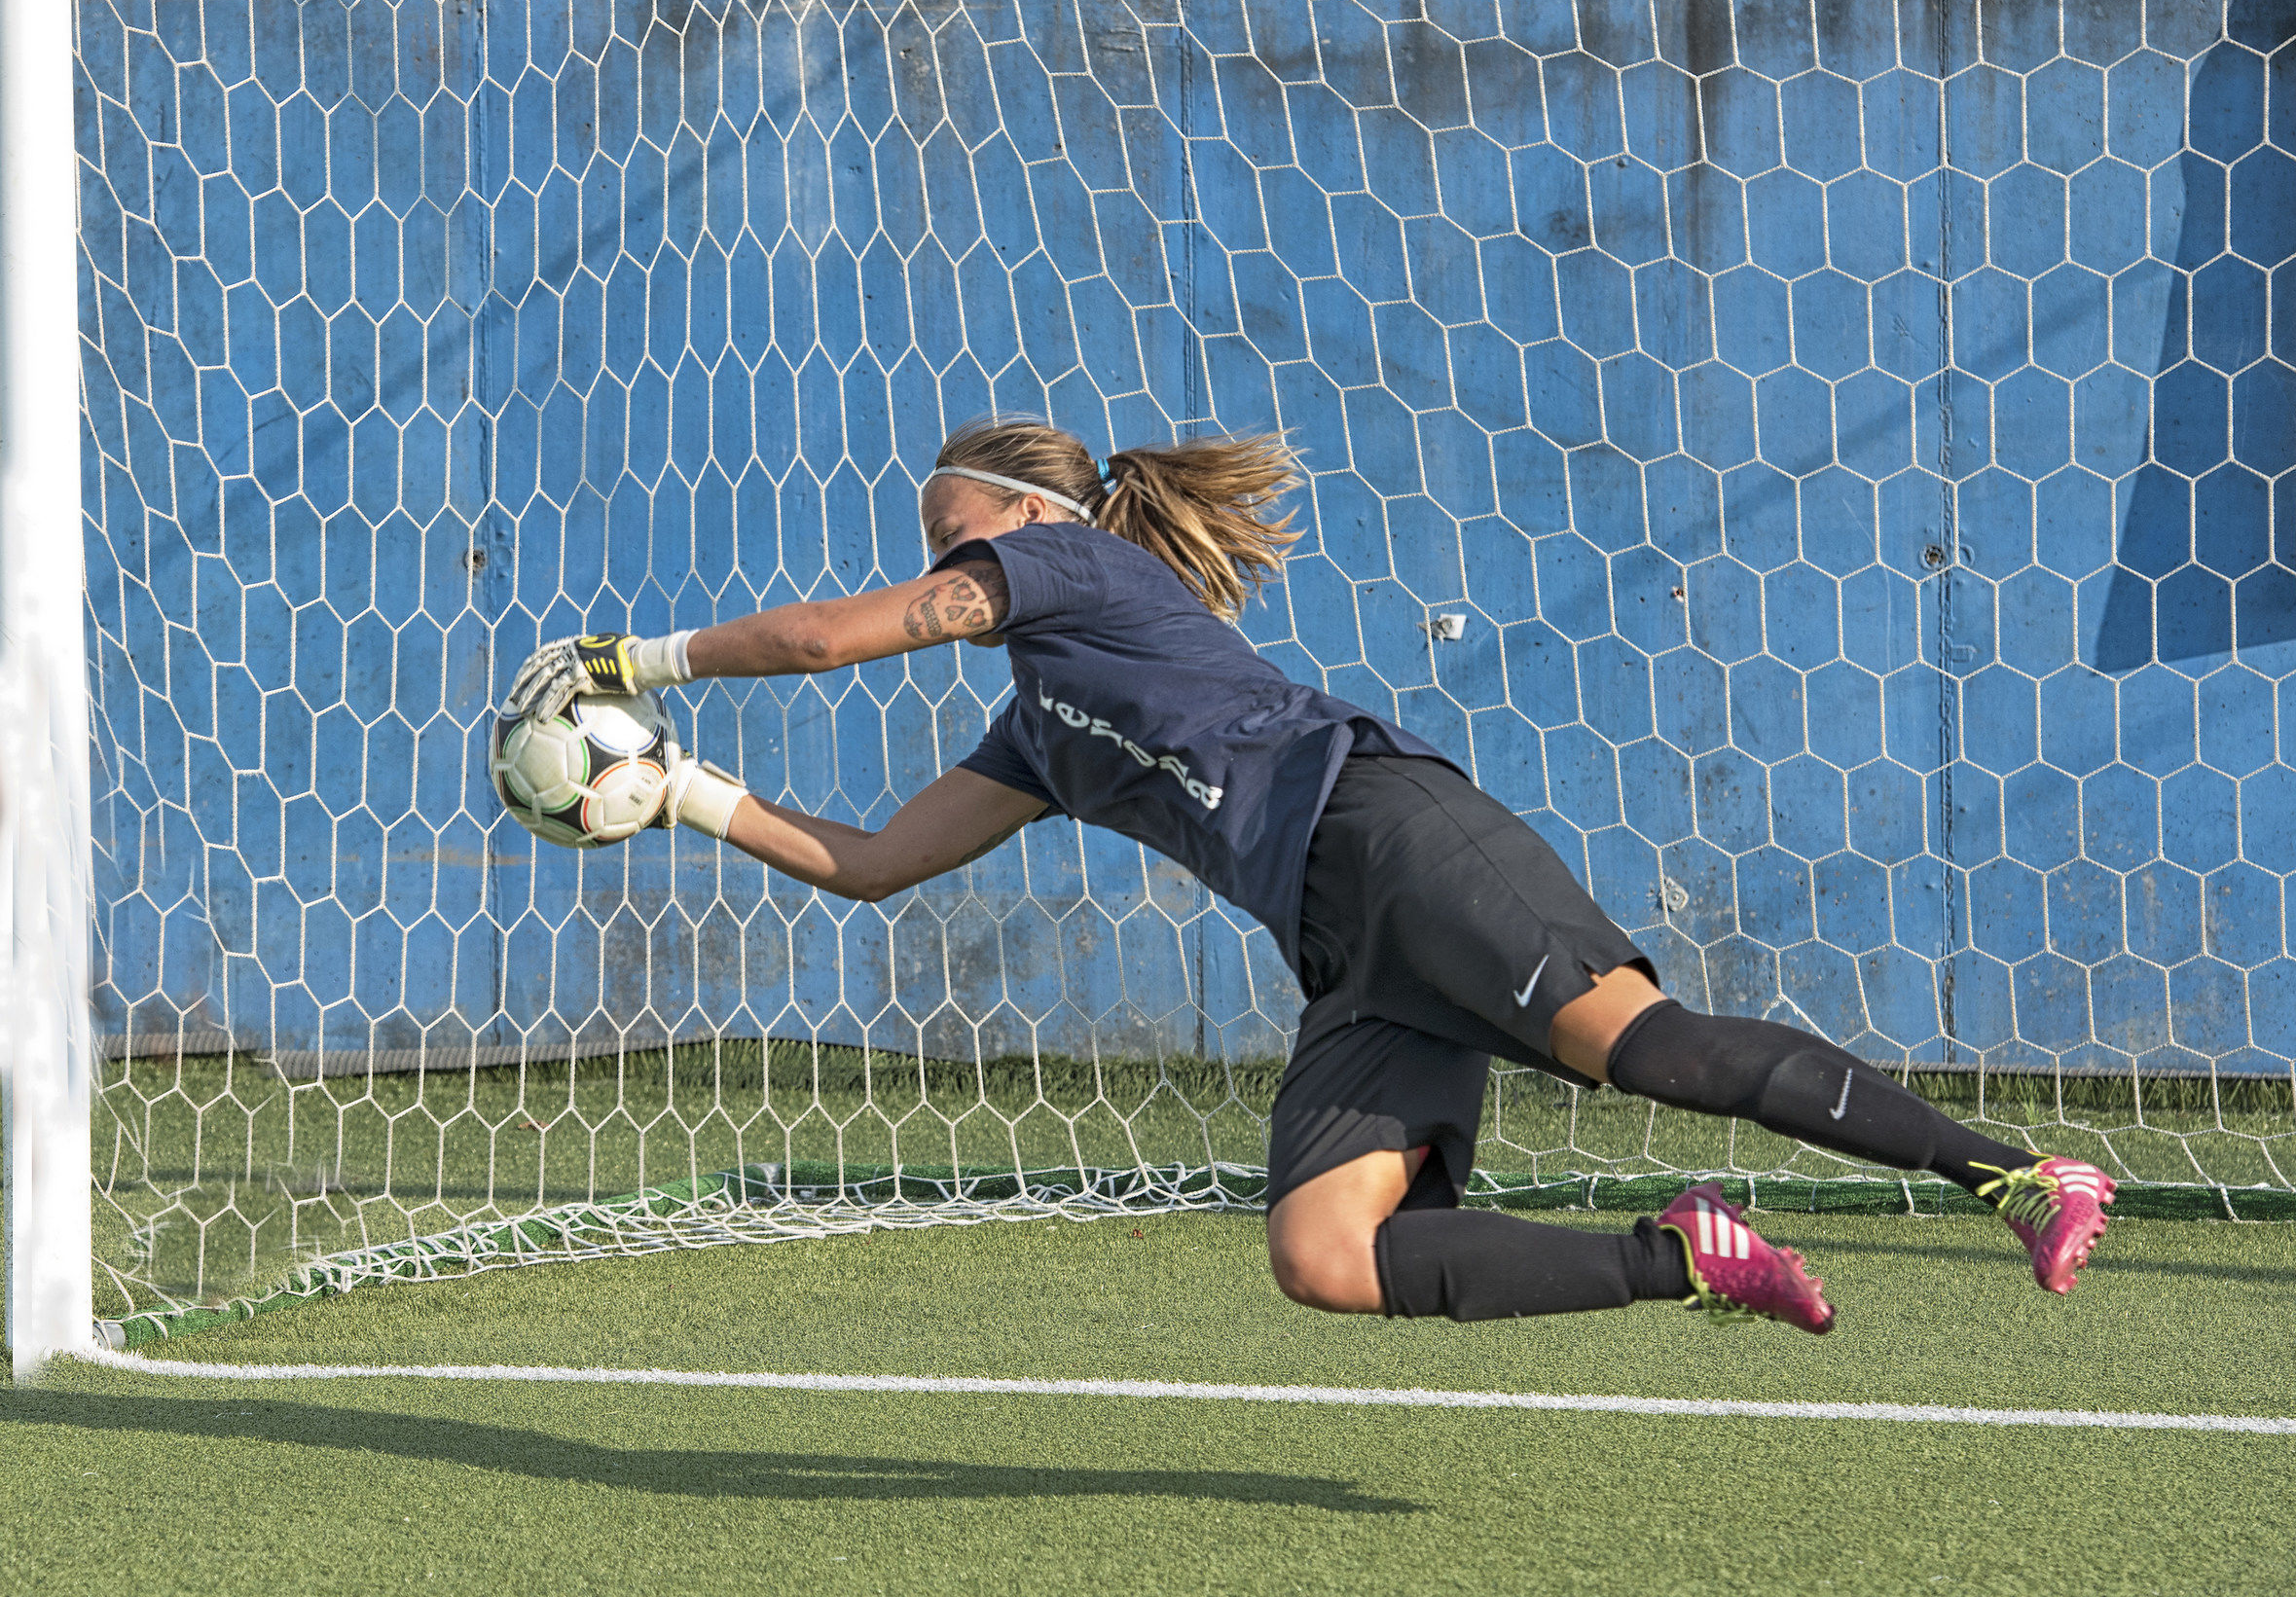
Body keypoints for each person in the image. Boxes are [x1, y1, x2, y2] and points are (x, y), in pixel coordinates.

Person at [502, 419, 2114, 1334]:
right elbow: (869, 867)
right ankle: (1686, 1253)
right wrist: (680, 791)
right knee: (1322, 1255)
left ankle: (2022, 1174)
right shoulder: (1045, 735)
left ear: (1028, 520)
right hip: (1342, 945)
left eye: (954, 534)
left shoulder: (1079, 566)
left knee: (1656, 1050)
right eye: (936, 545)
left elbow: (822, 637)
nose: (942, 565)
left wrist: (626, 656)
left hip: (1392, 828)